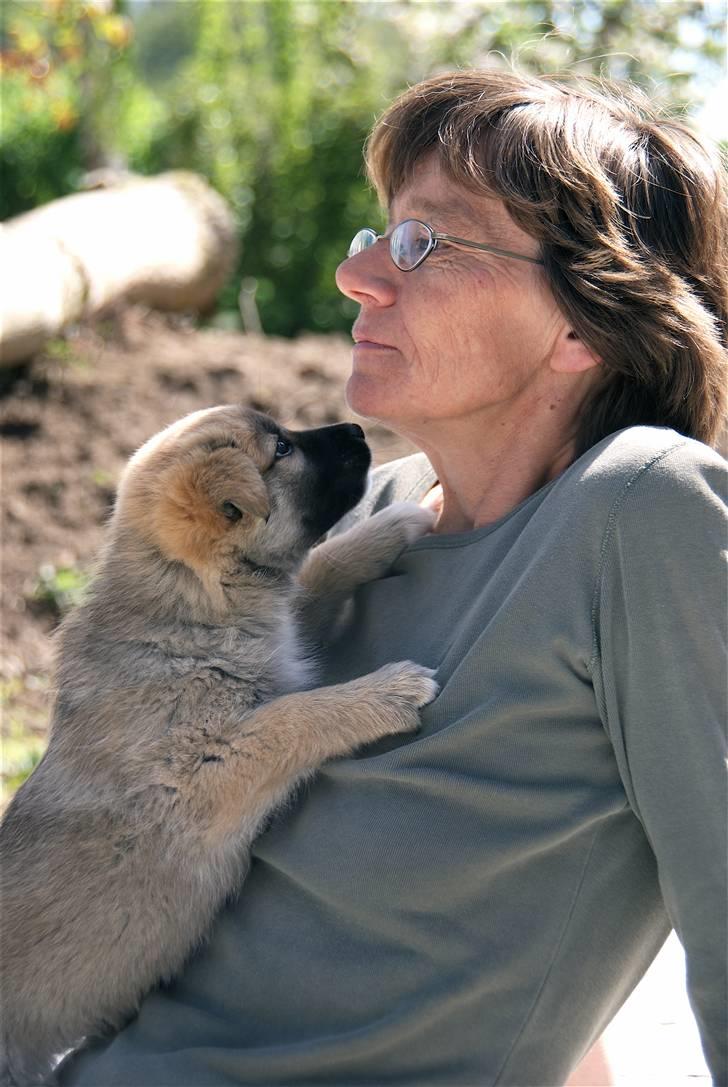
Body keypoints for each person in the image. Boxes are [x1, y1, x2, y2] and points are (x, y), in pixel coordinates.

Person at [59, 70, 726, 1086]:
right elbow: (508, 933)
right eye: (378, 236)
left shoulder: (642, 510)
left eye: (425, 241)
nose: (358, 275)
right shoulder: (376, 517)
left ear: (583, 324)